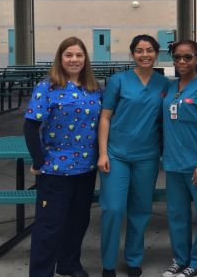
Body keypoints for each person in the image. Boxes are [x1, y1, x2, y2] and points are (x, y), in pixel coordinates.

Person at [23, 37, 101, 277]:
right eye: (69, 55)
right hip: (55, 170)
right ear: (60, 58)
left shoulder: (93, 88)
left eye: (79, 55)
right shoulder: (47, 87)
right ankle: (41, 272)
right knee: (49, 226)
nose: (74, 60)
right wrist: (39, 161)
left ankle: (69, 264)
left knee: (78, 221)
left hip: (86, 168)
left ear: (85, 59)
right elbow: (30, 126)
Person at [98, 35, 169, 277]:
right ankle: (108, 263)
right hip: (116, 155)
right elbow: (105, 117)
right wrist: (102, 153)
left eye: (149, 50)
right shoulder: (118, 81)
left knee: (140, 211)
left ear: (156, 54)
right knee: (113, 209)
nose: (145, 55)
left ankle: (134, 259)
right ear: (132, 54)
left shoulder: (163, 84)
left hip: (147, 156)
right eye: (139, 51)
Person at [162, 40, 197, 277]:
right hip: (173, 163)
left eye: (187, 57)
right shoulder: (170, 87)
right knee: (177, 213)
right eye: (177, 57)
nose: (182, 62)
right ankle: (181, 258)